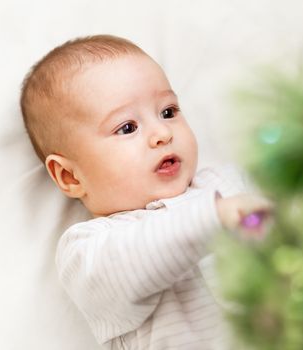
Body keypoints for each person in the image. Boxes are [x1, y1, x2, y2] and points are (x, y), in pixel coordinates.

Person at [19, 34, 271, 349]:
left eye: (168, 111)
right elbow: (138, 260)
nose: (162, 133)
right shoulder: (89, 250)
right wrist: (214, 216)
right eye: (127, 128)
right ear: (70, 175)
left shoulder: (222, 183)